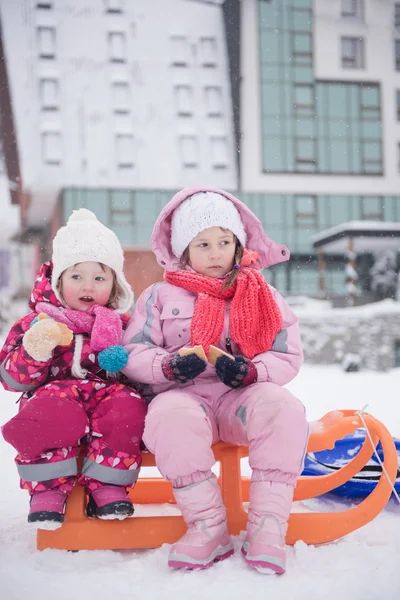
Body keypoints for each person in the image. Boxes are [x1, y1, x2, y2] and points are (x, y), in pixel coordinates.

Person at [122, 187, 308, 575]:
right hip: (187, 399)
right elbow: (133, 353)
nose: (215, 252)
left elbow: (287, 353)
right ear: (183, 250)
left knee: (283, 409)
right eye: (202, 243)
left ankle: (268, 525)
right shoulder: (158, 296)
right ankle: (207, 525)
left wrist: (254, 371)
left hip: (242, 398)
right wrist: (168, 367)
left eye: (224, 242)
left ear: (238, 245)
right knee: (168, 415)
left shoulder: (263, 294)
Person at [0, 209, 147, 527]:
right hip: (56, 398)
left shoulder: (123, 327)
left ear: (114, 284)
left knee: (127, 406)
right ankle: (47, 490)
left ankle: (108, 485)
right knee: (53, 408)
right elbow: (11, 379)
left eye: (99, 277)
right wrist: (35, 350)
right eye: (76, 276)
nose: (88, 286)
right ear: (59, 280)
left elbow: (141, 365)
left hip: (106, 399)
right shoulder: (37, 323)